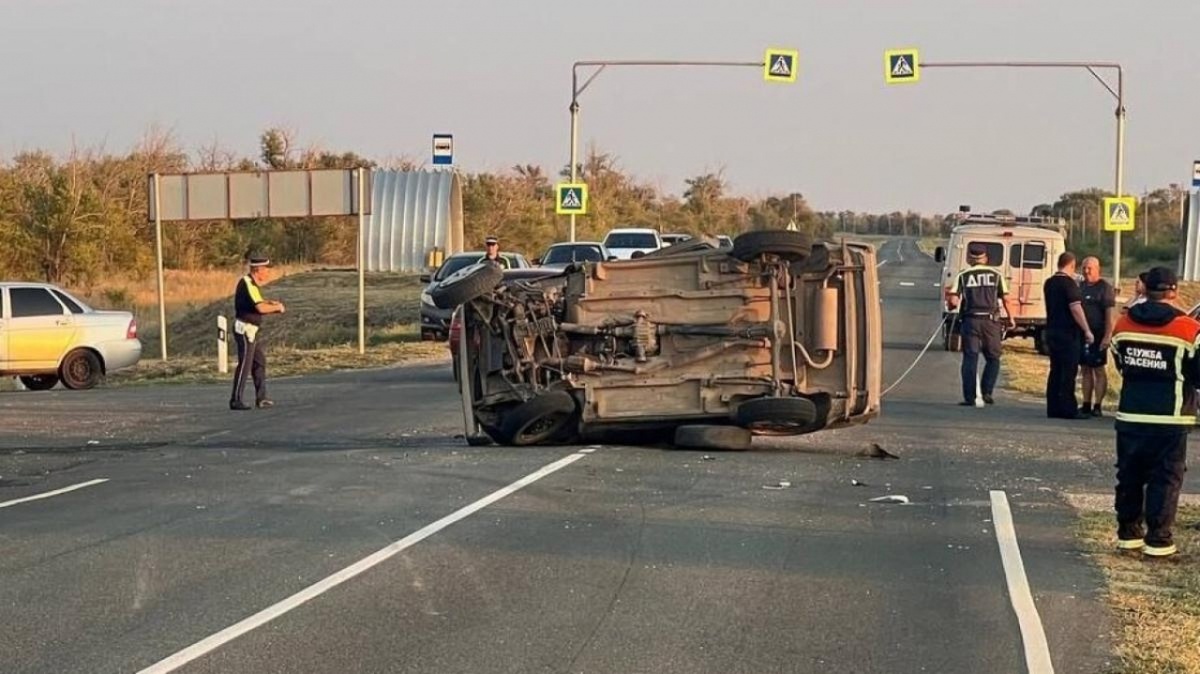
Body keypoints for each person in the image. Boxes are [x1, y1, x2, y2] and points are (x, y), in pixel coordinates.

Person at [1110, 266, 1200, 557]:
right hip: (1170, 417)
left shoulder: (1124, 324)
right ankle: (1159, 542)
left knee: (1129, 475)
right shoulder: (1188, 328)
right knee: (1165, 478)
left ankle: (1128, 536)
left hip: (1131, 414)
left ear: (1145, 289)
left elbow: (1120, 363)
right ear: (1173, 291)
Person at [946, 244, 1017, 406]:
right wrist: (1011, 318)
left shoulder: (963, 276)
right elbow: (1006, 299)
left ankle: (970, 397)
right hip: (991, 322)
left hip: (970, 321)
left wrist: (951, 306)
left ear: (970, 259)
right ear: (985, 258)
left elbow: (953, 300)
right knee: (993, 358)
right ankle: (986, 391)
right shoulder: (996, 275)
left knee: (970, 358)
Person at [229, 251, 286, 411]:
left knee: (259, 362)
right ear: (258, 270)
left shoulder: (251, 285)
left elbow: (256, 302)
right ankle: (236, 399)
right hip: (245, 329)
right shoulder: (248, 283)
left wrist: (269, 302)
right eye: (266, 269)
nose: (268, 272)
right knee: (245, 365)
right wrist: (277, 308)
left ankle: (261, 398)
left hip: (251, 330)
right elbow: (260, 308)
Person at [1042, 252, 1094, 419]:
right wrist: (1086, 329)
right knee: (1068, 371)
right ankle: (1068, 408)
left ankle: (1053, 407)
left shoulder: (1049, 282)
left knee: (1055, 370)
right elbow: (1075, 308)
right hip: (1068, 333)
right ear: (1071, 265)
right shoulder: (1069, 284)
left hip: (1052, 330)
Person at [1078, 256, 1117, 416]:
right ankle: (1086, 403)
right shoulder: (1080, 287)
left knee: (1098, 370)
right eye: (1084, 268)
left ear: (1097, 269)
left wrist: (1107, 336)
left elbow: (1110, 315)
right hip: (1082, 335)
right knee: (1085, 369)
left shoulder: (1104, 288)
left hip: (1099, 335)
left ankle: (1098, 405)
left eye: (1090, 268)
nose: (1086, 271)